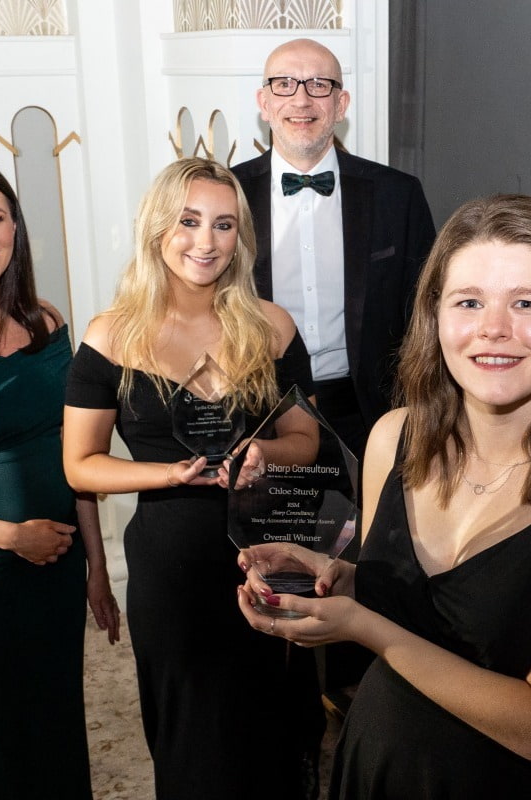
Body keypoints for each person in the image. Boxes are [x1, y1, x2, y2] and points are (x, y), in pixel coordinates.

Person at [237, 194, 531, 798]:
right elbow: (427, 609)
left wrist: (362, 627)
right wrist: (337, 579)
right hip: (382, 766)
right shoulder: (393, 438)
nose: (494, 328)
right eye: (469, 302)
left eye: (526, 303)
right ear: (434, 319)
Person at [62, 157, 324, 799]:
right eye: (188, 221)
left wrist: (265, 451)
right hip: (171, 569)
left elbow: (307, 438)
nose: (205, 241)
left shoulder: (271, 326)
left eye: (224, 225)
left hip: (264, 553)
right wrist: (166, 473)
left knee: (274, 729)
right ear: (158, 228)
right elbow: (80, 463)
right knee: (190, 741)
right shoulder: (112, 335)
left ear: (241, 238)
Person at [0, 154, 119, 800]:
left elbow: (74, 454)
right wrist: (10, 537)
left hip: (55, 568)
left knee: (57, 726)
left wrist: (95, 564)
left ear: (16, 227)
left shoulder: (46, 322)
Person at [232, 37, 436, 463]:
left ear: (341, 104)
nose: (301, 99)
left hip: (368, 414)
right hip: (255, 415)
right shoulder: (224, 195)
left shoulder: (398, 195)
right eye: (284, 84)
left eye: (319, 85)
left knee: (375, 529)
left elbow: (427, 311)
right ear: (263, 103)